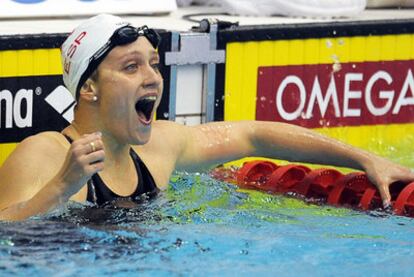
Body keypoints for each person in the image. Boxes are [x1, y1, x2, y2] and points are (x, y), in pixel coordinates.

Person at [0, 14, 413, 221]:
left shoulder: (161, 147)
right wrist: (60, 187)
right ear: (88, 87)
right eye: (131, 68)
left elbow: (254, 135)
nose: (153, 79)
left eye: (154, 64)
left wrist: (364, 159)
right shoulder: (43, 154)